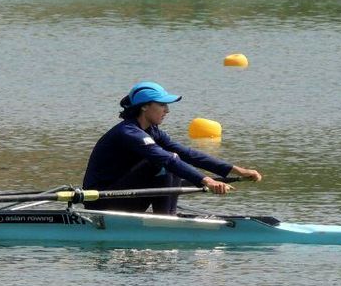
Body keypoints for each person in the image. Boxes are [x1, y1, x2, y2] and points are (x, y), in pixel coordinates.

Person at [83, 81, 262, 214]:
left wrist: (238, 170)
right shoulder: (128, 132)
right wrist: (208, 181)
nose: (167, 110)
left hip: (124, 196)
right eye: (162, 104)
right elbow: (168, 159)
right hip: (102, 202)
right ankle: (167, 219)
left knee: (173, 159)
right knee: (166, 161)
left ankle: (167, 217)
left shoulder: (152, 131)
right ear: (144, 106)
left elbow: (187, 154)